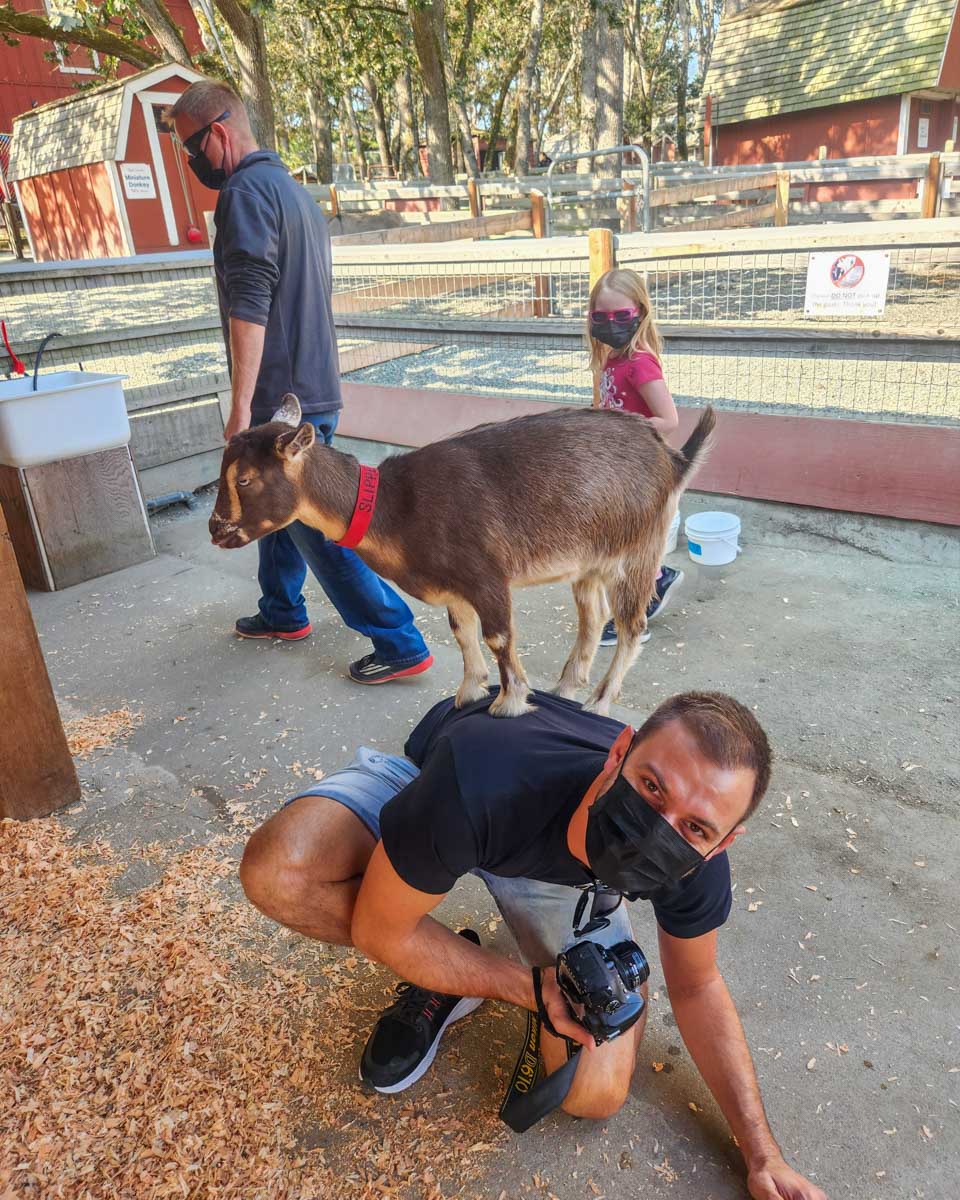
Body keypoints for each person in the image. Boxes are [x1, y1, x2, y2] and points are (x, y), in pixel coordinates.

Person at [239, 688, 829, 1200]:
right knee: (281, 875)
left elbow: (697, 987)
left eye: (695, 827)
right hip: (448, 784)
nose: (659, 829)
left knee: (594, 1095)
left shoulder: (698, 865)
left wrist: (762, 1154)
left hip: (553, 866)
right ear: (619, 752)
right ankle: (442, 966)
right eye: (651, 787)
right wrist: (529, 989)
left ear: (722, 843)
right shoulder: (480, 778)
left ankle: (453, 961)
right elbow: (377, 932)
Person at [168, 81, 433, 686]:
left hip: (280, 403)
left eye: (191, 147)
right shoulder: (294, 193)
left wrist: (242, 408)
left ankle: (399, 641)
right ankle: (282, 610)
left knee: (318, 527)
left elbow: (251, 301)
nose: (191, 162)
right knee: (276, 511)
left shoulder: (242, 193)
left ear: (218, 133)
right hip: (315, 384)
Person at [587, 267, 684, 647]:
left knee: (625, 548)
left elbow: (669, 420)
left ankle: (633, 618)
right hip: (619, 465)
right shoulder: (612, 358)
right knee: (622, 544)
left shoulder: (640, 363)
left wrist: (622, 430)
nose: (611, 324)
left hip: (640, 469)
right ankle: (658, 579)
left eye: (621, 315)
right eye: (601, 317)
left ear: (640, 313)